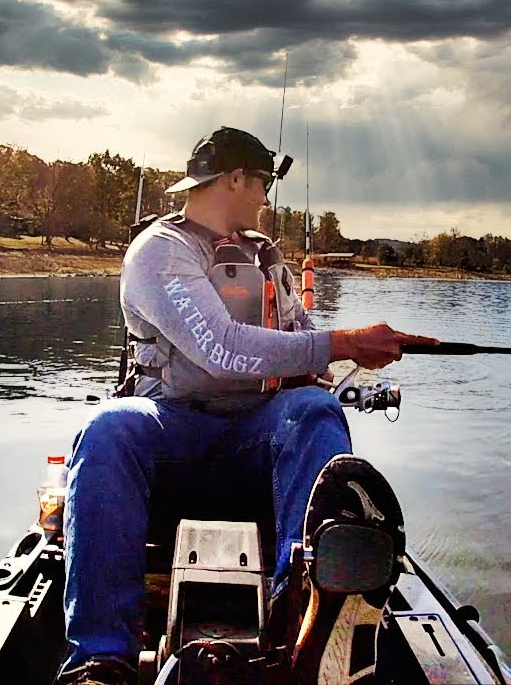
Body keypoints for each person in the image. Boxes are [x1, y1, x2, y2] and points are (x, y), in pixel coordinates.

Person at [57, 127, 434, 685]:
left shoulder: (267, 259)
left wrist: (323, 363)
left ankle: (302, 625)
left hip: (256, 437)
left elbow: (303, 339)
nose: (264, 198)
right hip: (173, 428)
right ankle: (100, 660)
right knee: (107, 428)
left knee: (314, 410)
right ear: (235, 178)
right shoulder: (160, 252)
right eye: (262, 183)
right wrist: (345, 342)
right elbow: (221, 348)